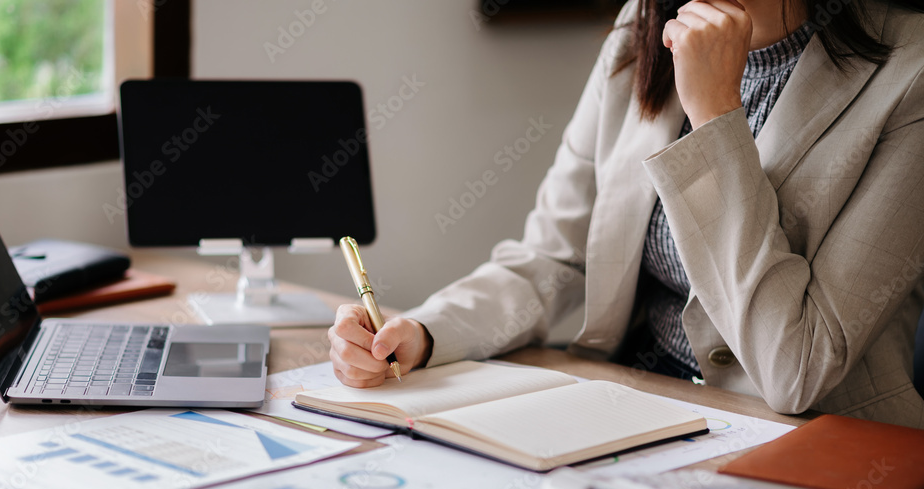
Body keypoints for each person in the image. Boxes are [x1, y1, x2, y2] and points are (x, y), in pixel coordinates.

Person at [328, 0, 924, 428]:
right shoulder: (637, 32)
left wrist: (716, 116)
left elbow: (795, 369)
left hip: (815, 442)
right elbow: (552, 258)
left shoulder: (909, 72)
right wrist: (425, 331)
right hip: (640, 410)